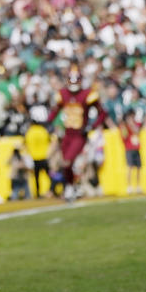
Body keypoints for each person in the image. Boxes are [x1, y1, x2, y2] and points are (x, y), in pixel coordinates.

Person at [51, 71, 104, 200]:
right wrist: (48, 123)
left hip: (79, 134)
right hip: (67, 134)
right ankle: (71, 186)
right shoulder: (63, 94)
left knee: (69, 161)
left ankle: (72, 187)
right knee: (65, 163)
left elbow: (102, 113)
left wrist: (91, 126)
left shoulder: (87, 94)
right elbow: (55, 111)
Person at [119, 109, 145, 194]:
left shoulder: (136, 124)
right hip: (129, 149)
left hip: (136, 148)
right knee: (130, 167)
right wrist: (125, 126)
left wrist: (131, 124)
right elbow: (124, 136)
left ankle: (138, 186)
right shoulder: (124, 126)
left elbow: (137, 132)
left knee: (138, 168)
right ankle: (129, 186)